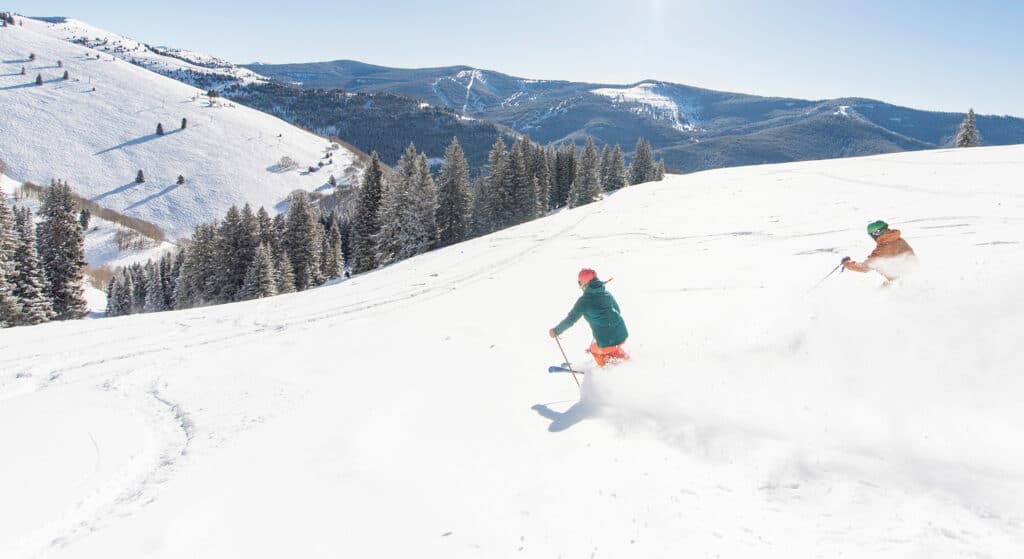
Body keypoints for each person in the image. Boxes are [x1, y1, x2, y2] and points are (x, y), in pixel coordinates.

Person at [549, 268, 629, 367]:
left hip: (607, 342)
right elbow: (617, 311)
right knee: (610, 345)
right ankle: (626, 361)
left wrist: (556, 331)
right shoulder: (607, 294)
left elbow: (571, 319)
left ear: (584, 283)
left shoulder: (584, 301)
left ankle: (605, 371)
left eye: (580, 283)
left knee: (596, 349)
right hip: (622, 335)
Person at [842, 220, 918, 284]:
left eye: (872, 235)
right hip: (909, 277)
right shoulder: (896, 239)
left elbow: (865, 267)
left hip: (900, 282)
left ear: (877, 233)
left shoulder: (884, 247)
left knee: (879, 293)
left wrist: (847, 263)